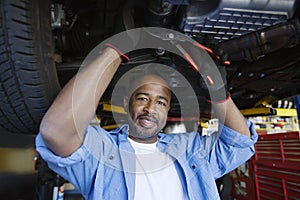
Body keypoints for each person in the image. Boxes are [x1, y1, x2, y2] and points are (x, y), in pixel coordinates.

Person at [36, 28, 258, 199]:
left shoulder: (190, 148)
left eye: (160, 102)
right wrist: (116, 49)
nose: (150, 109)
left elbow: (239, 144)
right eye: (142, 98)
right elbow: (57, 131)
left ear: (168, 109)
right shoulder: (103, 152)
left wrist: (217, 88)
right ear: (126, 103)